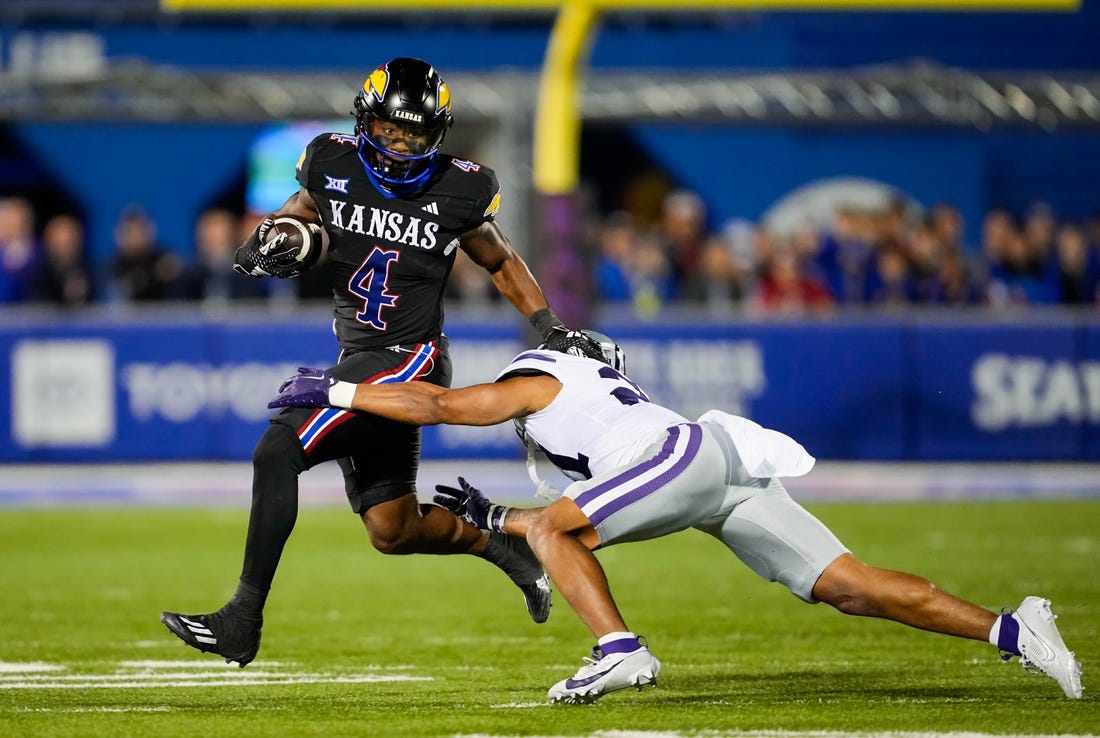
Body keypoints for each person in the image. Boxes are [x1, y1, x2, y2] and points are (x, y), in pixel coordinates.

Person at [267, 330, 1084, 705]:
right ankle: (1018, 630)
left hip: (679, 461)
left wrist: (336, 391)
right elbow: (585, 512)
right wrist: (497, 516)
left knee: (553, 526)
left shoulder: (542, 377)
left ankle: (619, 650)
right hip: (713, 463)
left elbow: (443, 404)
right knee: (851, 586)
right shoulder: (606, 397)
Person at [161, 57, 567, 667]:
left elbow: (501, 260)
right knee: (393, 530)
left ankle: (242, 619)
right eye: (389, 132)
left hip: (411, 362)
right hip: (360, 355)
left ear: (438, 134)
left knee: (277, 450)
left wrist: (549, 327)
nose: (402, 148)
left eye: (416, 134)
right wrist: (273, 239)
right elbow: (298, 216)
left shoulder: (459, 186)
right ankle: (503, 545)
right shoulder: (330, 163)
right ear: (364, 123)